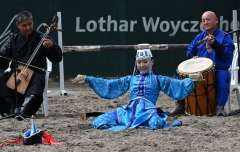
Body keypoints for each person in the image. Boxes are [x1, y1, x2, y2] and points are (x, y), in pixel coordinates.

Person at [72, 48, 204, 131]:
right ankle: (133, 124)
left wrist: (193, 79)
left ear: (152, 62)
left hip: (148, 112)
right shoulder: (131, 79)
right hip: (128, 111)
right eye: (139, 62)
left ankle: (134, 124)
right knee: (97, 122)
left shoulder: (159, 79)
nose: (142, 65)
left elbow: (177, 85)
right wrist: (86, 78)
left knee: (157, 123)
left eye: (145, 61)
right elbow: (109, 85)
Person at [168, 11, 235, 117]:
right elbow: (189, 51)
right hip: (198, 69)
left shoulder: (225, 36)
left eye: (208, 19)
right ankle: (180, 104)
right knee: (180, 75)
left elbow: (227, 55)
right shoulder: (199, 37)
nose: (205, 22)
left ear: (216, 20)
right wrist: (192, 57)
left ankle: (219, 107)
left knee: (223, 75)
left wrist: (215, 44)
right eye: (203, 20)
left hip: (217, 69)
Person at [0, 11, 63, 120]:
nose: (28, 27)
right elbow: (3, 62)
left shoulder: (42, 38)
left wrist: (52, 46)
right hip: (18, 74)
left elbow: (57, 58)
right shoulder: (13, 40)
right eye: (24, 25)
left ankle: (24, 111)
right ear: (17, 25)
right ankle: (10, 109)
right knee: (1, 79)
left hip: (36, 74)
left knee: (39, 79)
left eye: (30, 24)